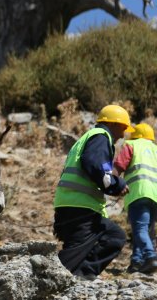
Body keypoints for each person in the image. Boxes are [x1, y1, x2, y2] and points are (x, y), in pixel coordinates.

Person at [52, 104, 132, 280]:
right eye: (123, 128)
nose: (123, 135)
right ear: (113, 124)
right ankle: (49, 281)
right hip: (80, 207)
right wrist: (116, 185)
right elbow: (95, 166)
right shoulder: (101, 137)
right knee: (72, 256)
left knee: (114, 236)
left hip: (74, 205)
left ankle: (81, 276)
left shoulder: (89, 138)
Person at [113, 122, 157, 274]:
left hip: (139, 193)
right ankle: (136, 262)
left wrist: (111, 182)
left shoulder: (132, 145)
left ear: (136, 136)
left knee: (140, 229)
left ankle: (150, 257)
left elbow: (118, 166)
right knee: (143, 230)